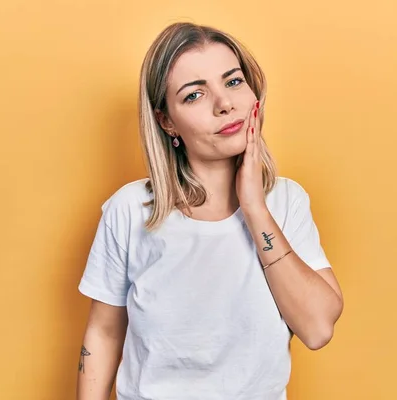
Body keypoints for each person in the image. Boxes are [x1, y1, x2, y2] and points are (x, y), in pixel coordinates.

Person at [76, 21, 343, 400]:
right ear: (166, 121)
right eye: (194, 95)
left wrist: (254, 208)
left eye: (233, 82)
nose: (225, 104)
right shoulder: (130, 211)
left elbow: (317, 328)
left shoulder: (285, 202)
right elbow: (102, 334)